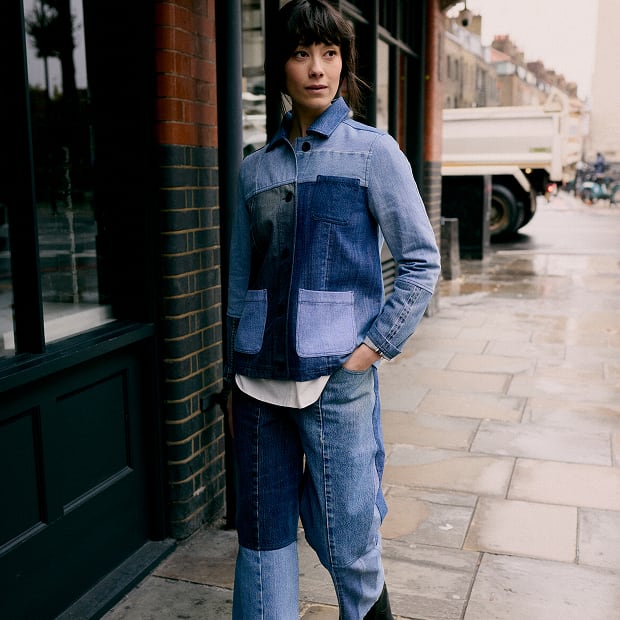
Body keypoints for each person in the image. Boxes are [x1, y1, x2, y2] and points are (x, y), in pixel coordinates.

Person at [224, 1, 440, 617]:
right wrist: (231, 377)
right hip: (257, 385)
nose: (317, 68)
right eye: (301, 54)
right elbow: (239, 283)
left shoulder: (373, 153)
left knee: (348, 541)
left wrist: (369, 351)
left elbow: (421, 262)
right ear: (281, 66)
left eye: (329, 53)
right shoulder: (254, 170)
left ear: (344, 63)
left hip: (336, 382)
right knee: (261, 542)